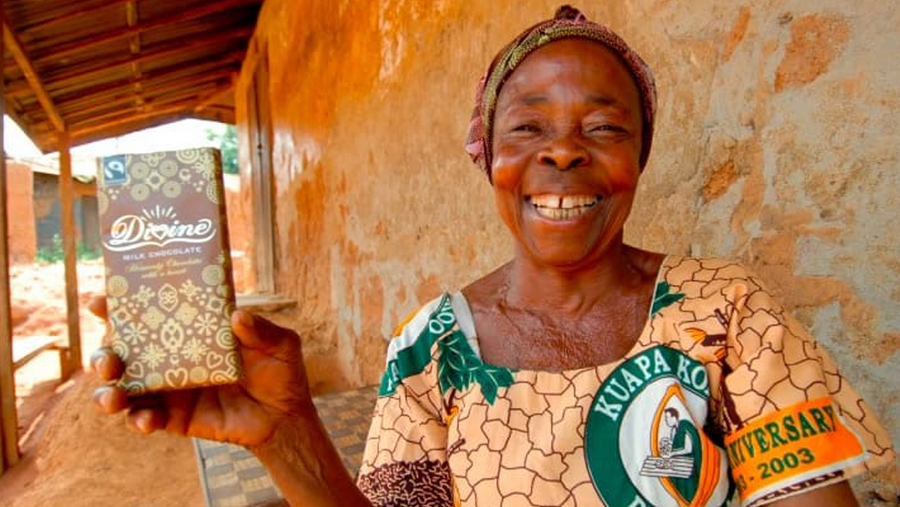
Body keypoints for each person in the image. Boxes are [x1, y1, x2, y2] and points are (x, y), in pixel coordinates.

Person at [91, 6, 895, 507]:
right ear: (488, 156)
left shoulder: (725, 308)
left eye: (605, 128)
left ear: (640, 157)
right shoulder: (431, 348)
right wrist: (284, 434)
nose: (565, 154)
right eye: (528, 127)